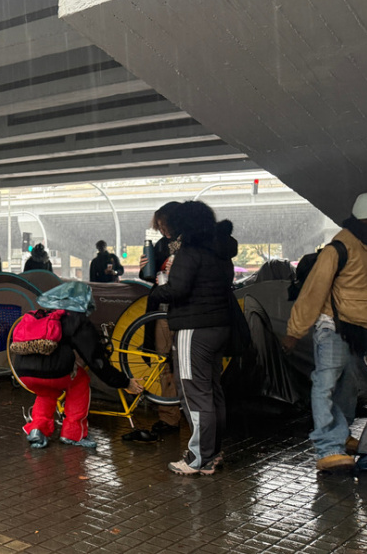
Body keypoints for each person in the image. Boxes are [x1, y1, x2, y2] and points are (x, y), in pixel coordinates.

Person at [283, 191, 367, 472]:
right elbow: (313, 293)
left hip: (361, 330)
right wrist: (294, 331)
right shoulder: (338, 249)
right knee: (325, 385)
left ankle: (341, 435)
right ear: (366, 219)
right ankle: (328, 448)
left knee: (347, 388)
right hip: (334, 329)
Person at [149, 201, 238, 475]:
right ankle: (213, 453)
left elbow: (178, 290)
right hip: (219, 327)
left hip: (193, 328)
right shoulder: (220, 250)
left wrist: (157, 289)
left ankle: (198, 458)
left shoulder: (190, 252)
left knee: (194, 395)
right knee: (212, 391)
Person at [15, 282, 143, 449]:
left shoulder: (46, 314)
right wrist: (124, 382)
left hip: (24, 372)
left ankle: (37, 430)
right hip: (54, 372)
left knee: (47, 391)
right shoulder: (77, 320)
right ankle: (73, 434)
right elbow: (96, 362)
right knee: (80, 380)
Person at [139, 201, 182, 436]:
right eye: (160, 226)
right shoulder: (161, 245)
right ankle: (169, 417)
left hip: (185, 312)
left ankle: (193, 415)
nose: (163, 230)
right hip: (162, 311)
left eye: (165, 224)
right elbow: (151, 276)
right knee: (164, 363)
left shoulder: (192, 243)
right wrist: (144, 268)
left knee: (187, 366)